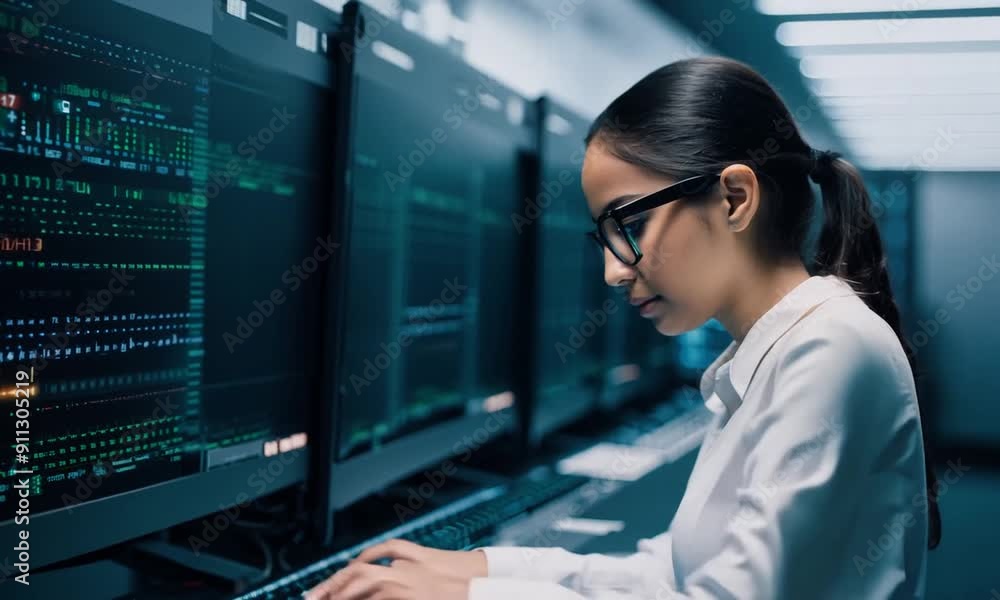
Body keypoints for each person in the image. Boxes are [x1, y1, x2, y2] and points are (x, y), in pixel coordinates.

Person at [304, 56, 941, 600]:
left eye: (628, 226)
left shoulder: (828, 351)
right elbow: (674, 575)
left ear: (735, 199)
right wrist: (485, 568)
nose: (613, 271)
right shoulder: (781, 350)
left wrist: (480, 595)